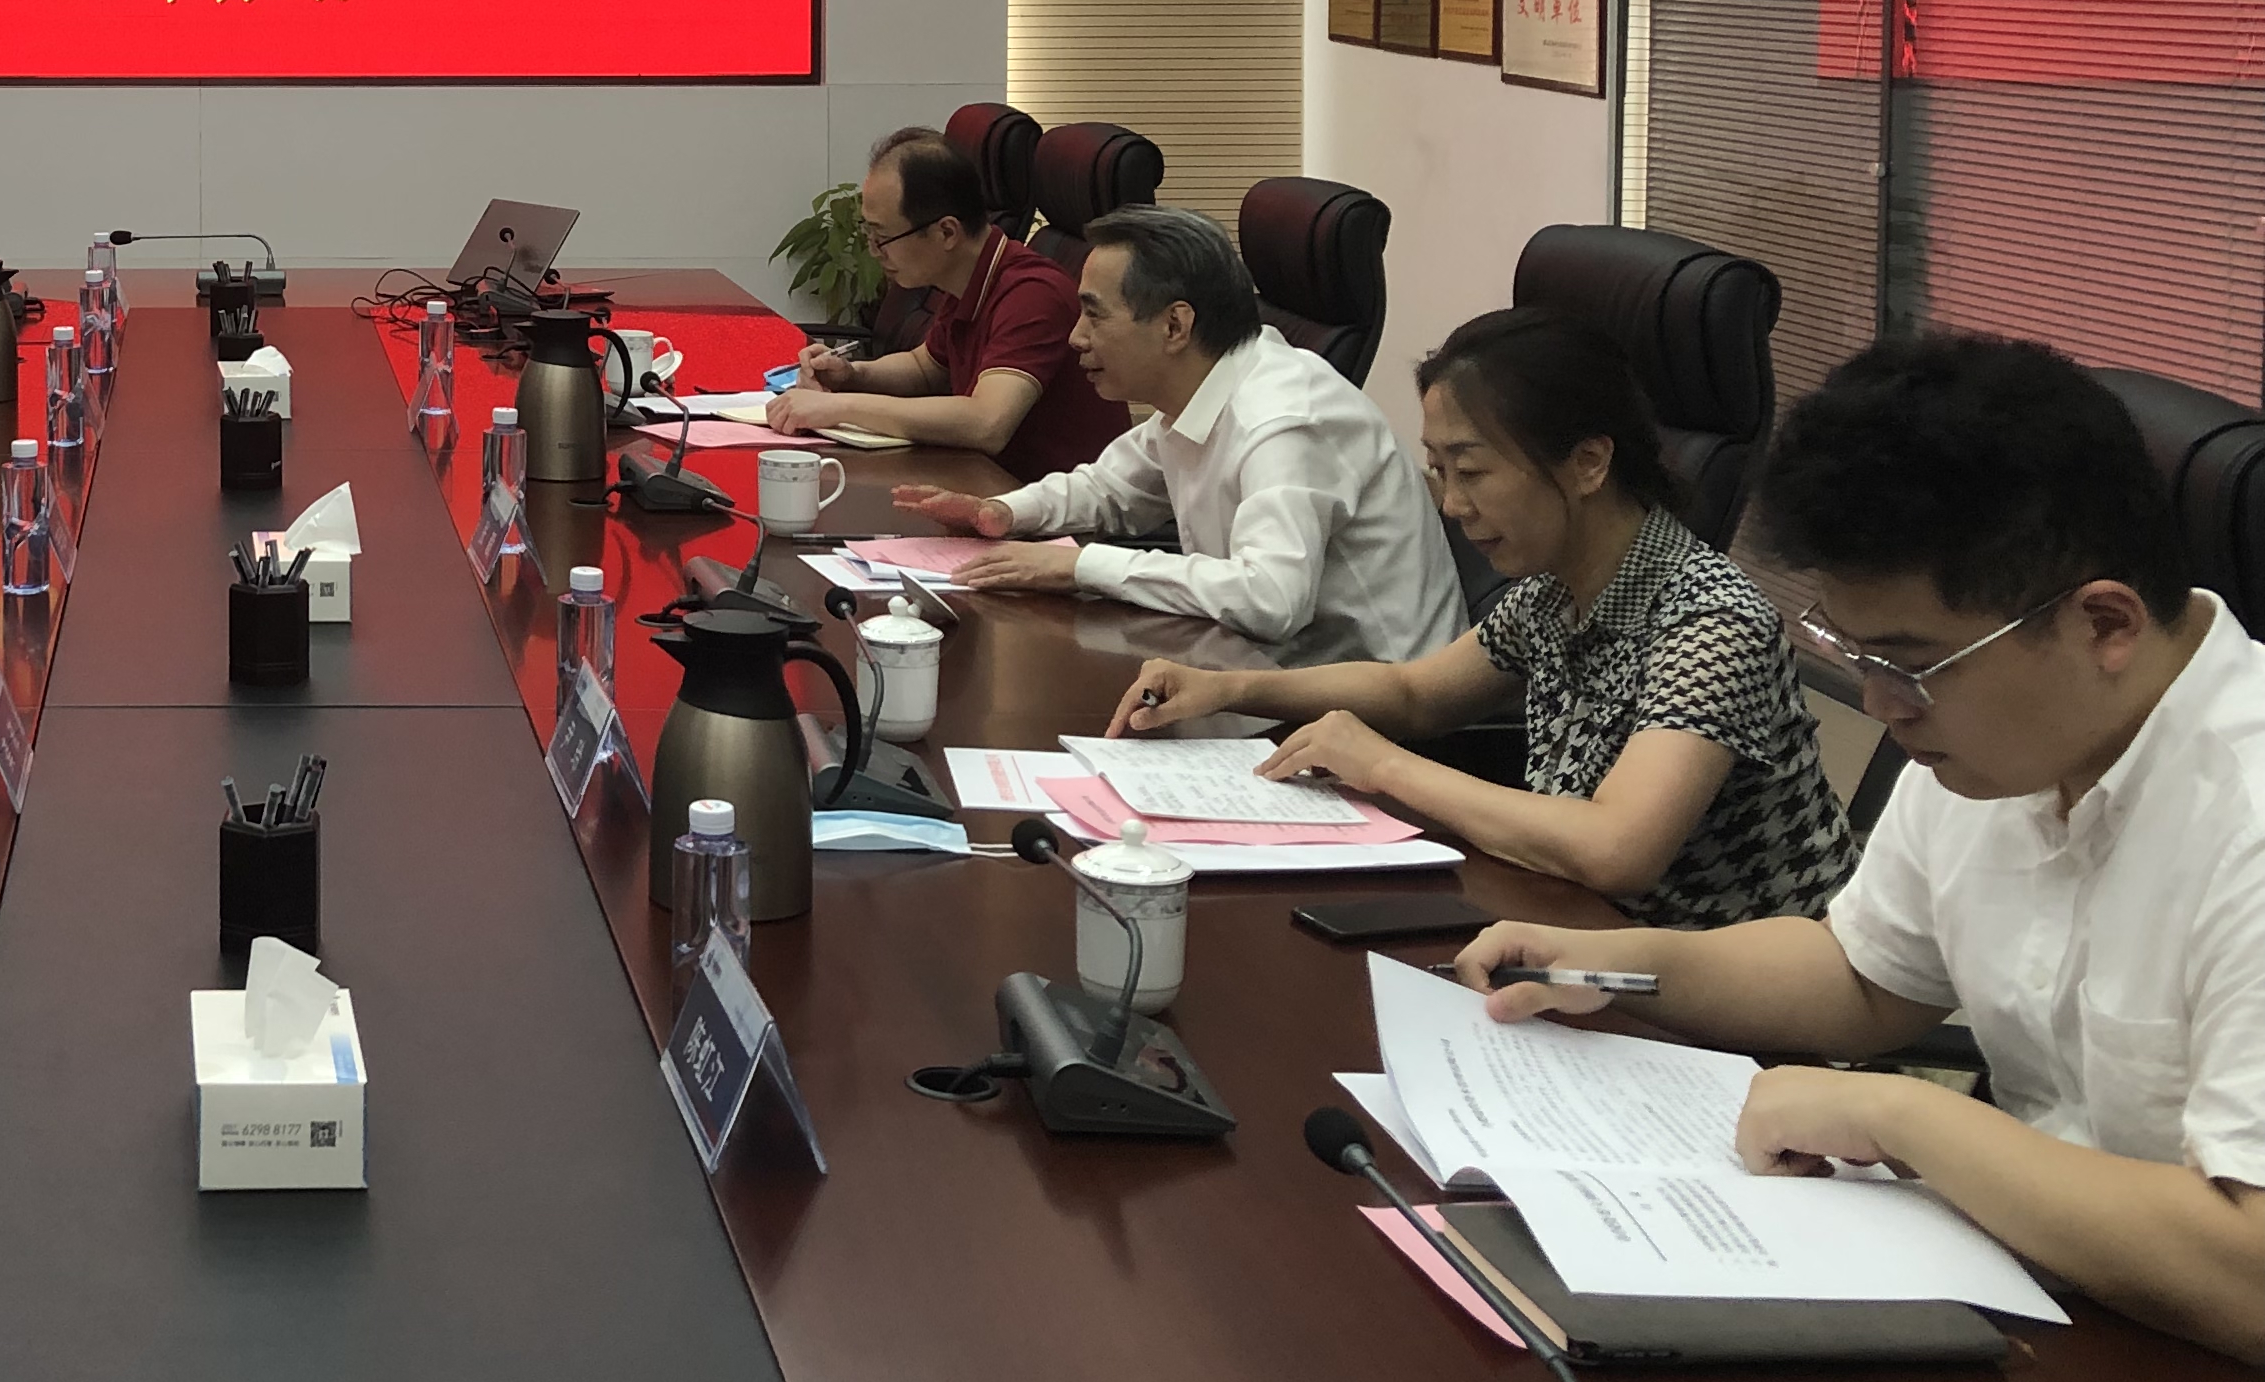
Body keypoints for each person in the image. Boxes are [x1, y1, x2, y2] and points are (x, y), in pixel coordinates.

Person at [1464, 334, 2265, 1365]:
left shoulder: (2242, 816)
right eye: (1857, 656)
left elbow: (2251, 1274)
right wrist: (1627, 967)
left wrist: (1899, 1118)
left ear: (2104, 624)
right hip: (2046, 1306)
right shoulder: (2006, 747)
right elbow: (1865, 974)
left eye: (1911, 667)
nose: (1883, 707)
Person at [1108, 307, 1854, 923]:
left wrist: (1385, 765)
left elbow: (1618, 850)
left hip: (1731, 986)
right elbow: (1416, 693)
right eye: (1440, 471)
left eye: (1471, 471)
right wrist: (1231, 688)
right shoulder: (1553, 591)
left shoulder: (1712, 622)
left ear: (1589, 463)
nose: (1453, 505)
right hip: (1576, 931)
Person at [898, 205, 1457, 664]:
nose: (1075, 337)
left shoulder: (1283, 421)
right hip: (1268, 671)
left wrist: (1081, 567)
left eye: (1095, 316)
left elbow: (1271, 598)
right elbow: (1108, 488)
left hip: (1382, 708)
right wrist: (1002, 512)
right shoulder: (1204, 389)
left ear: (1174, 326)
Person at [769, 130, 1122, 476]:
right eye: (870, 234)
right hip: (990, 482)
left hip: (1055, 504)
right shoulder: (971, 277)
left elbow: (987, 423)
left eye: (884, 236)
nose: (874, 251)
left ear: (947, 232)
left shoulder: (1032, 293)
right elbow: (925, 368)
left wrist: (838, 407)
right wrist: (852, 375)